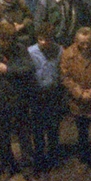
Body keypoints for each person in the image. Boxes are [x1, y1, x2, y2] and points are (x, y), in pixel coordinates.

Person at [59, 26, 91, 168]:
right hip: (78, 101)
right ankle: (84, 159)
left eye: (88, 42)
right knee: (82, 133)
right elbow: (65, 77)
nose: (85, 46)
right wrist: (79, 92)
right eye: (82, 43)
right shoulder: (68, 54)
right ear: (76, 41)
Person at [0, 22, 35, 179]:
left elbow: (29, 67)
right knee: (3, 136)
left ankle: (28, 166)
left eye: (9, 40)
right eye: (3, 40)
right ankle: (6, 166)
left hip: (19, 99)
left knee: (24, 134)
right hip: (1, 99)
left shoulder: (20, 49)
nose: (6, 43)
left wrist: (8, 69)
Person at [27, 23, 64, 172]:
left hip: (53, 93)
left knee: (53, 126)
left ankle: (54, 156)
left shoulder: (59, 50)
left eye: (47, 40)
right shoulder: (30, 52)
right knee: (38, 128)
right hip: (37, 94)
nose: (43, 43)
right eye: (41, 39)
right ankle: (40, 157)